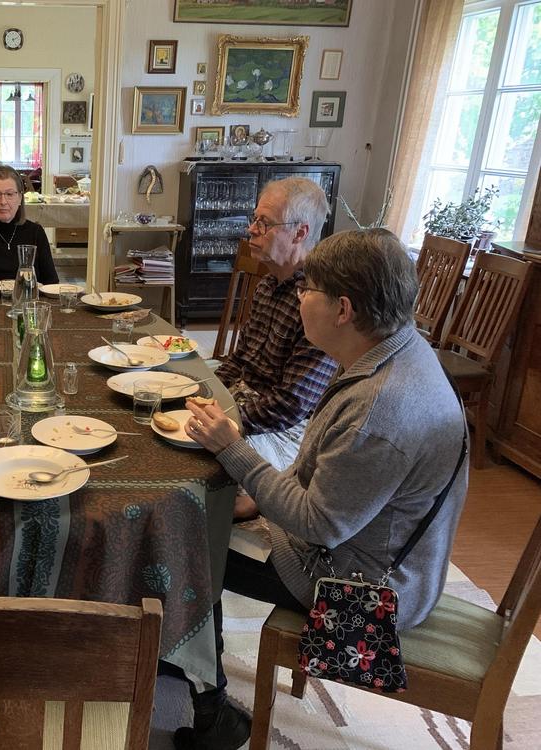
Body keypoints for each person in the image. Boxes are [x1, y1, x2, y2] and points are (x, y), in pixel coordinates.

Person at [174, 229, 469, 750]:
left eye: (307, 289)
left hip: (365, 594)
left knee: (189, 545)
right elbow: (323, 472)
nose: (299, 297)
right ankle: (181, 649)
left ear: (343, 310)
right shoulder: (396, 351)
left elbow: (318, 523)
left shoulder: (380, 409)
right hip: (378, 556)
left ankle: (213, 713)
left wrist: (232, 449)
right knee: (211, 514)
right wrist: (259, 498)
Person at [215, 176, 338, 518]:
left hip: (286, 429)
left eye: (265, 223)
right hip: (248, 404)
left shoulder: (318, 301)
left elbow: (292, 405)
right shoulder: (268, 285)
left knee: (203, 464)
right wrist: (206, 392)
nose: (252, 230)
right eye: (254, 219)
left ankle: (262, 501)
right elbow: (239, 360)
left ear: (300, 233)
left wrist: (227, 420)